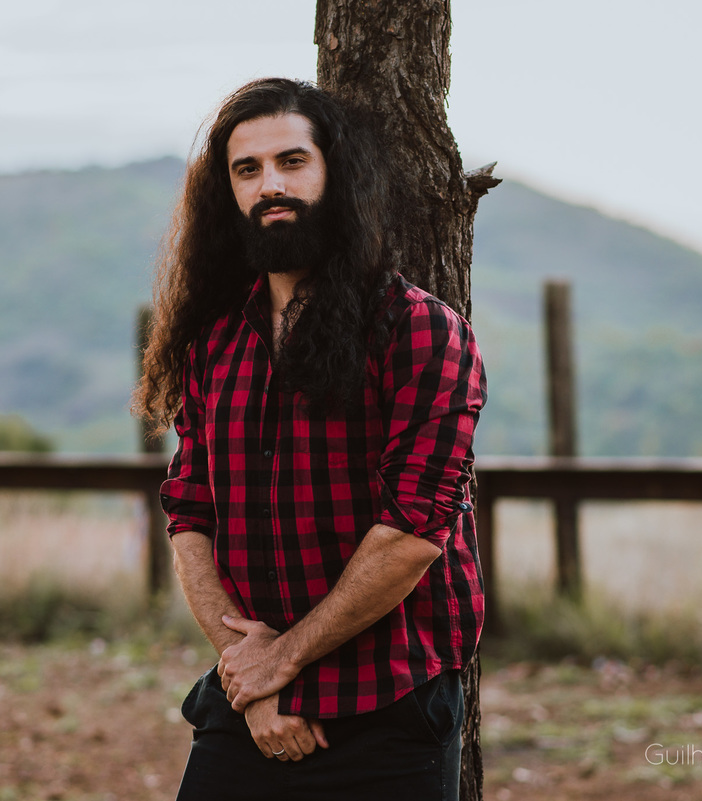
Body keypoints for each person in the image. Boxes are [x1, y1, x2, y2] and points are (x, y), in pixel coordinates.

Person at [133, 77, 487, 801]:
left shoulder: (417, 329)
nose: (271, 185)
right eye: (247, 169)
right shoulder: (214, 343)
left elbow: (413, 532)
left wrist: (282, 660)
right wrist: (249, 675)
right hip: (249, 704)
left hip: (389, 702)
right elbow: (190, 515)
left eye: (292, 161)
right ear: (228, 193)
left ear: (336, 173)